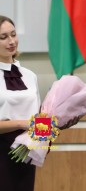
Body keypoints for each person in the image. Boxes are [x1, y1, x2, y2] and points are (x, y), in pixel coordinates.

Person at [0, 15, 79, 191]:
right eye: (3, 37)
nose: (11, 41)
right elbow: (28, 121)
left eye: (13, 34)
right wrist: (24, 123)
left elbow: (39, 116)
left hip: (26, 151)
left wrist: (59, 123)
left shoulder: (29, 75)